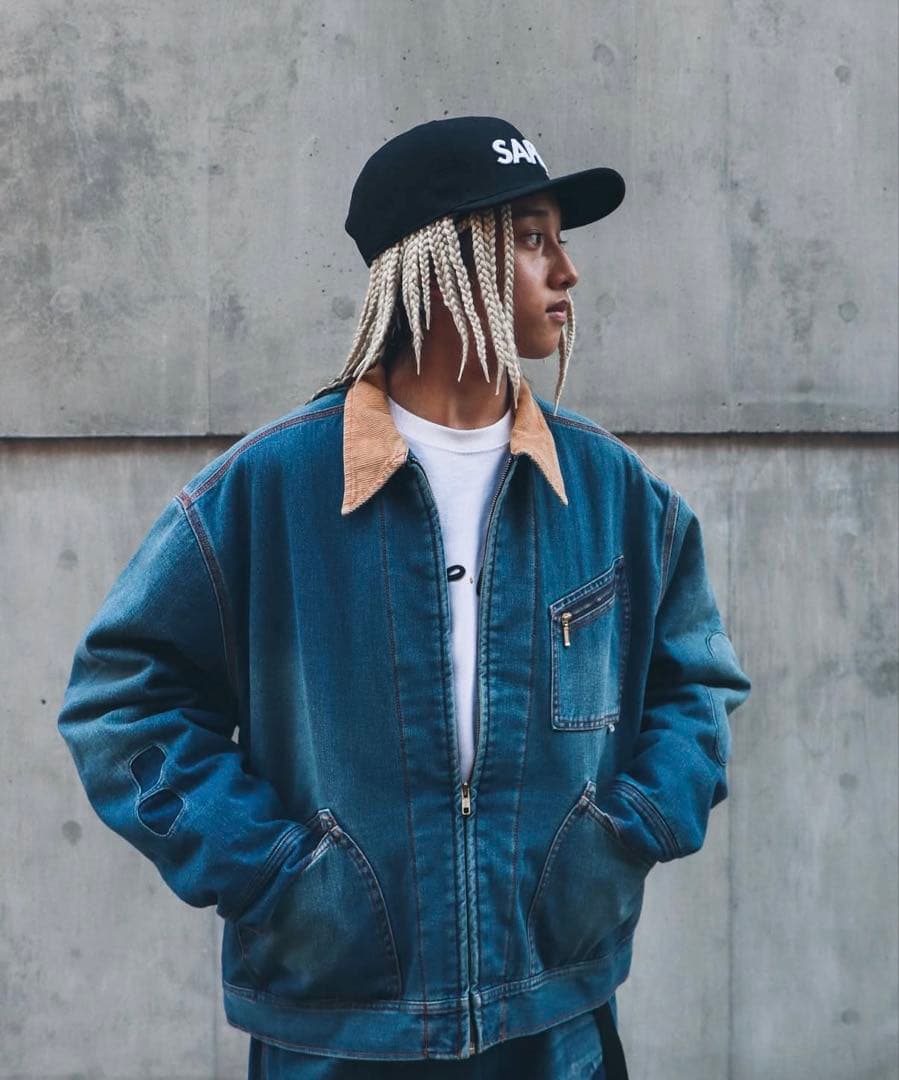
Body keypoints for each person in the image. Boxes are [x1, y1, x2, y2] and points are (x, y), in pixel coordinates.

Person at [57, 116, 752, 1079]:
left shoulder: (611, 492)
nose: (567, 272)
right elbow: (121, 700)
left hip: (554, 1017)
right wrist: (273, 872)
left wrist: (626, 833)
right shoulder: (272, 488)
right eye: (532, 238)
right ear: (437, 264)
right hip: (336, 1031)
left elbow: (697, 686)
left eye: (558, 240)